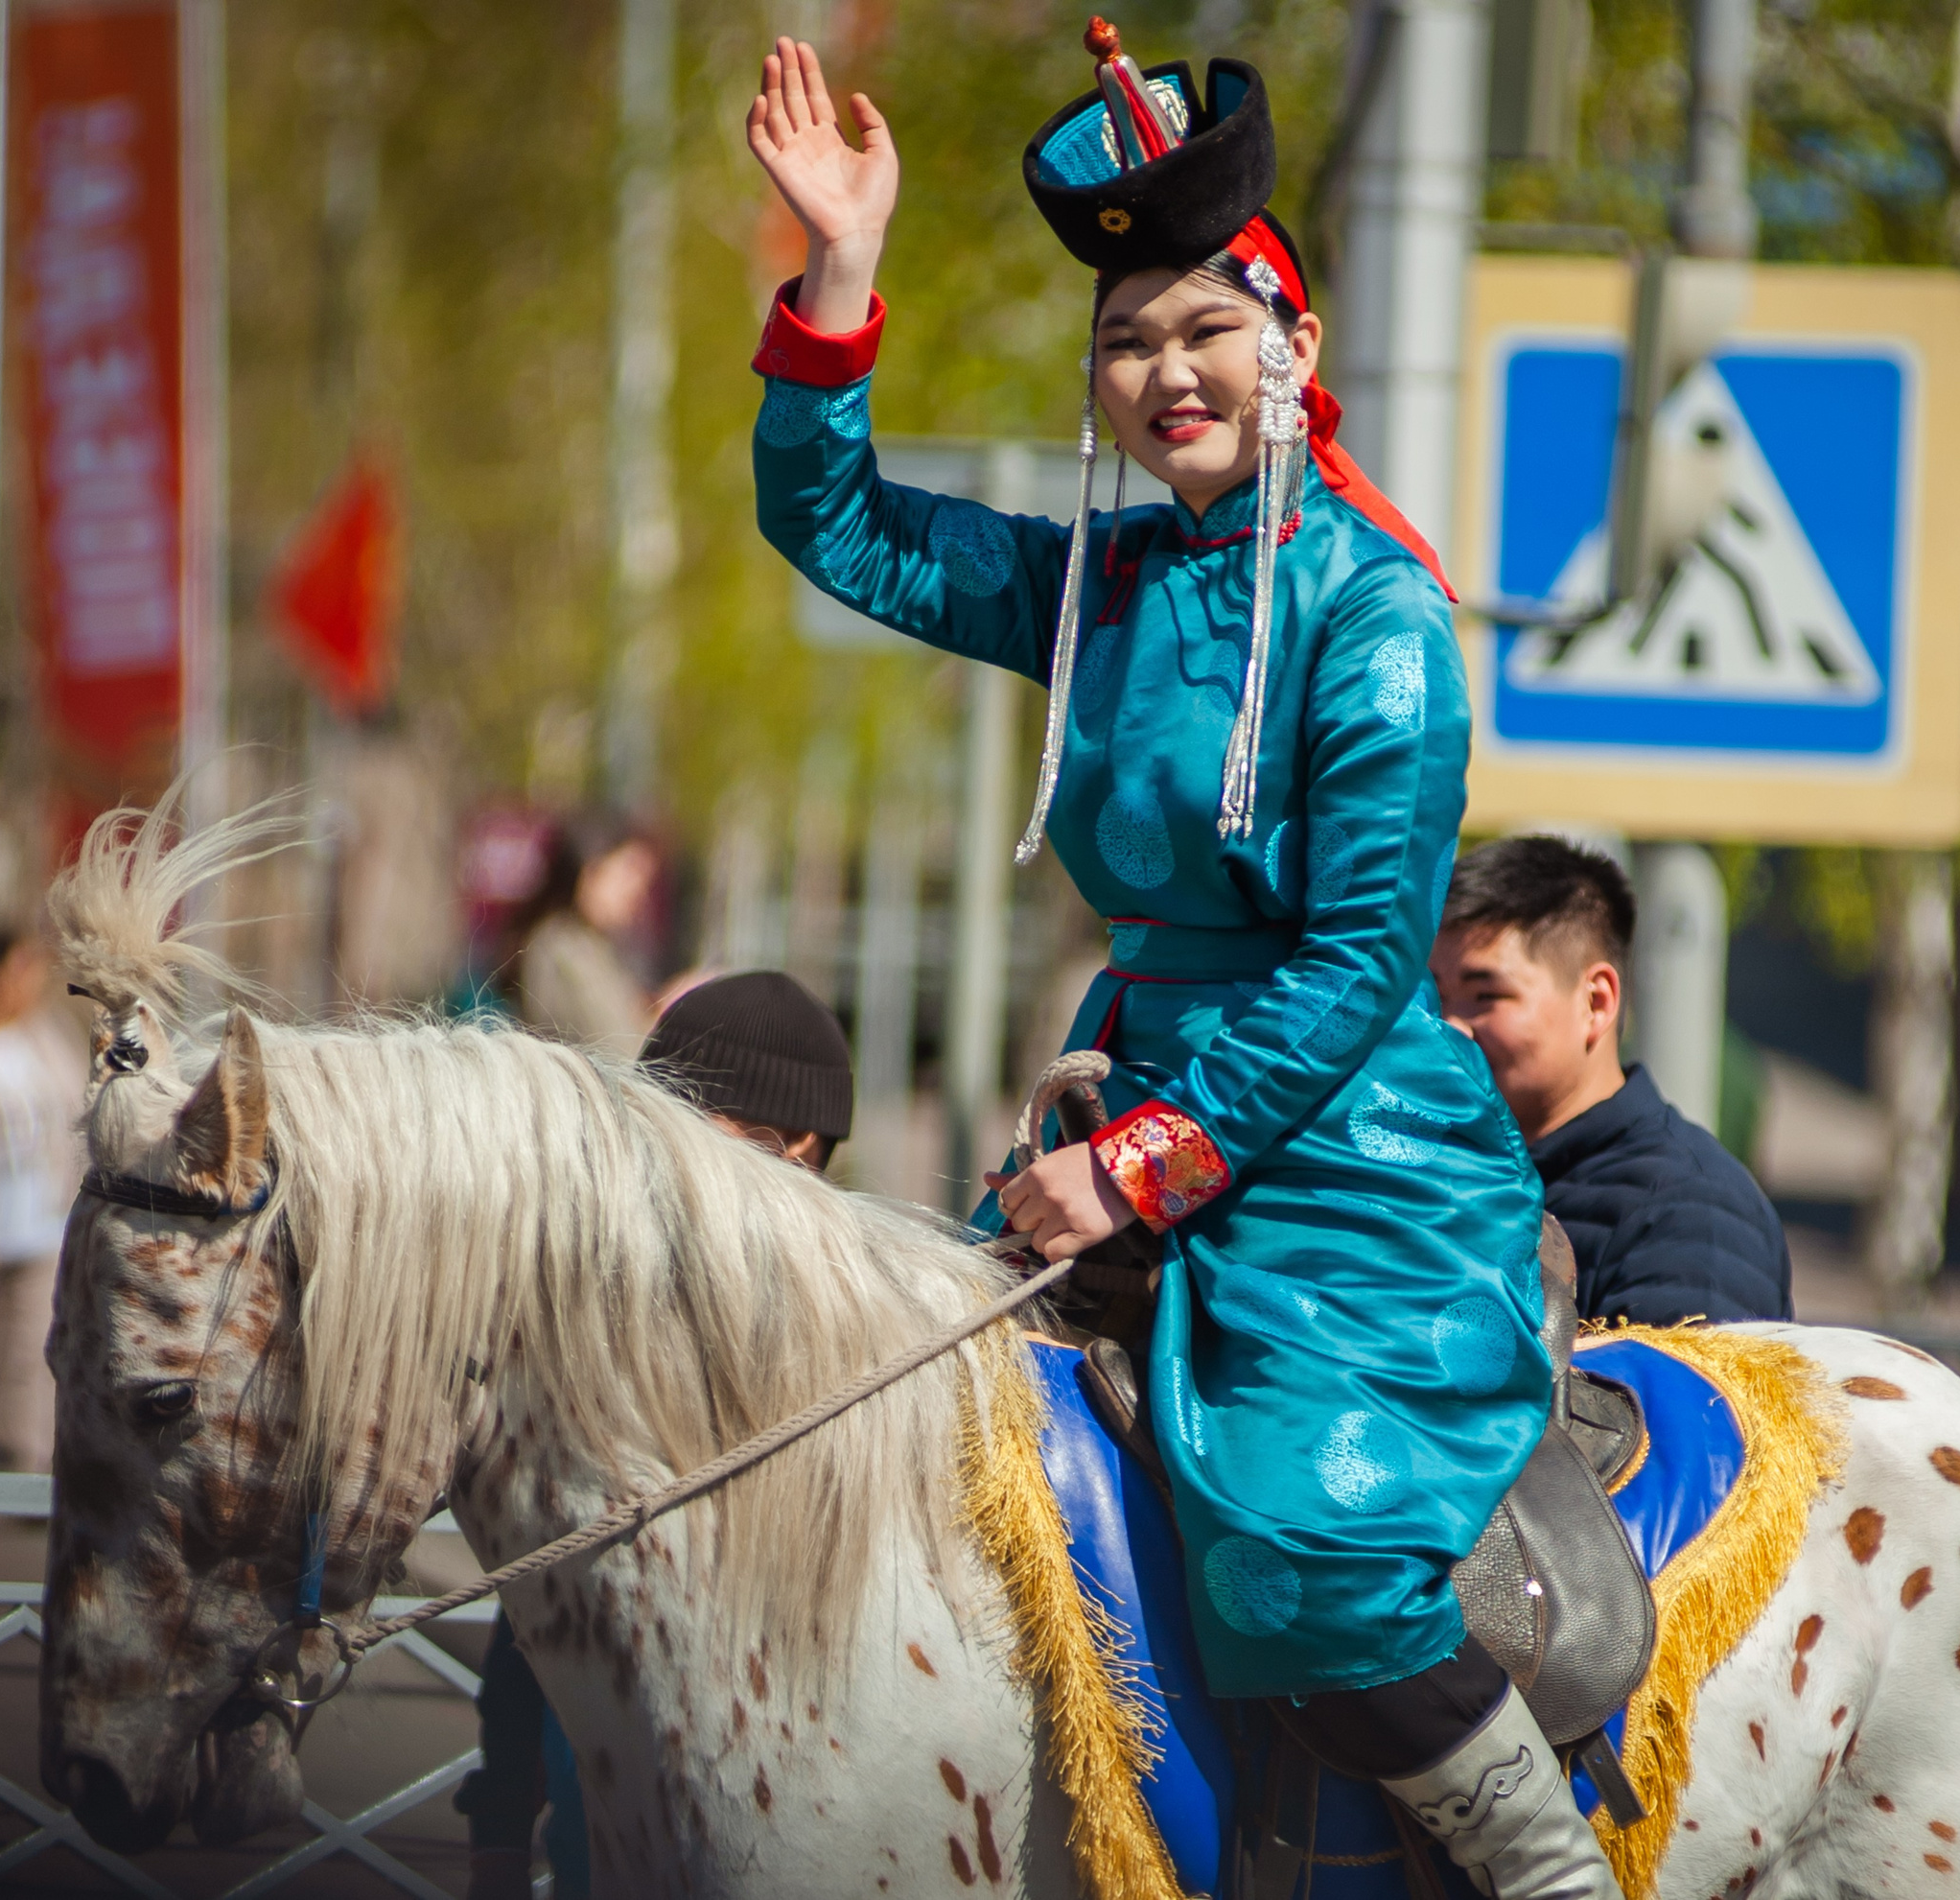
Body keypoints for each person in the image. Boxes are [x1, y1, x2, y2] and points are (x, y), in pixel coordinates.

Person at [745, 30, 1613, 1893]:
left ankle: (1545, 1874)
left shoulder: (1375, 614)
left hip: (1341, 1157)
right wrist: (838, 268)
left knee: (1304, 1546)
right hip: (1126, 1098)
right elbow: (830, 519)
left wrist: (1136, 1164)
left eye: (1202, 330)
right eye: (1126, 341)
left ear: (1288, 349)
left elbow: (1363, 951)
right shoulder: (1098, 582)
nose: (1162, 373)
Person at [459, 971, 853, 1900]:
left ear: (790, 1144)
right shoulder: (594, 1336)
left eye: (682, 1128)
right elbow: (530, 1625)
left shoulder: (853, 1354)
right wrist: (498, 1844)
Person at [1432, 835, 1793, 1326]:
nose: (1447, 1029)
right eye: (1435, 998)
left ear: (1596, 1003)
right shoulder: (1441, 1173)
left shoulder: (1689, 1213)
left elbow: (1687, 1401)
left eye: (1485, 995)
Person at [0, 928, 88, 1473]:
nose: (31, 985)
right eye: (21, 970)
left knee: (29, 1352)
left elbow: (76, 1115)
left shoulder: (43, 1039)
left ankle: (22, 1462)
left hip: (39, 1225)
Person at [506, 814, 663, 1057]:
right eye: (628, 873)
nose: (637, 891)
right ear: (589, 870)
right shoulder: (563, 948)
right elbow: (622, 1053)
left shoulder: (587, 943)